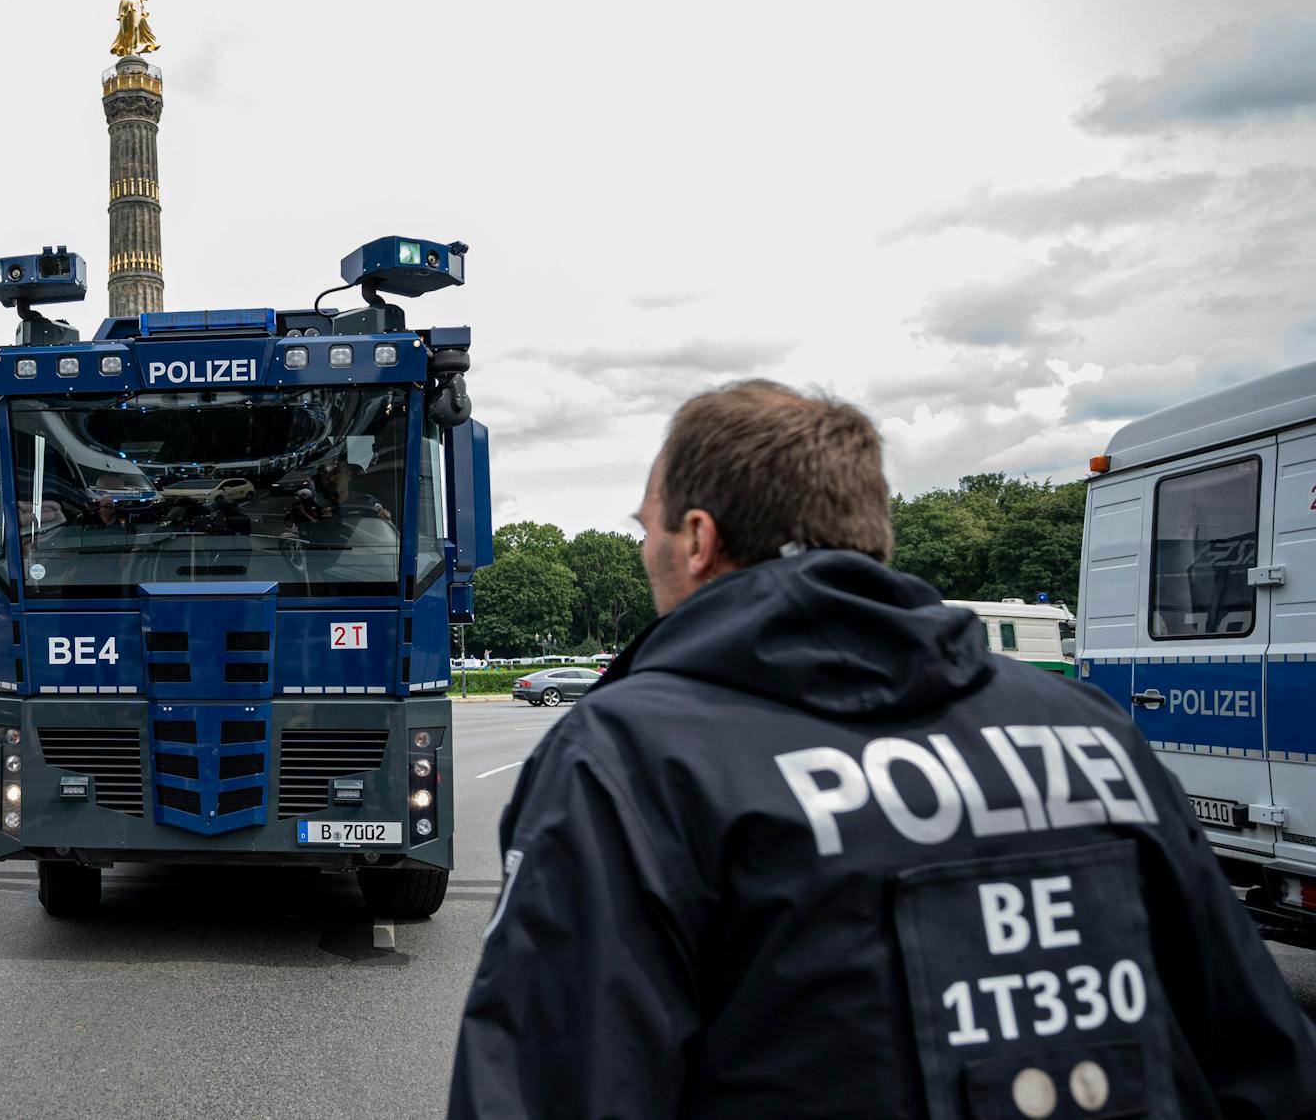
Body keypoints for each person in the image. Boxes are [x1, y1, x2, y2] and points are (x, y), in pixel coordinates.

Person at [448, 380, 1316, 1119]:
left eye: (647, 526)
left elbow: (547, 1085)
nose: (644, 549)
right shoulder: (1091, 731)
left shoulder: (628, 762)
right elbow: (1265, 1064)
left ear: (698, 539)